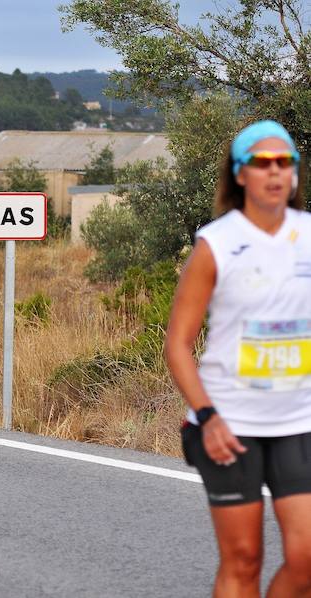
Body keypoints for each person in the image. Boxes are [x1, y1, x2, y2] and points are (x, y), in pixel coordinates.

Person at [165, 120, 311, 596]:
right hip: (229, 424)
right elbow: (178, 345)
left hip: (298, 422)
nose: (275, 172)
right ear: (240, 174)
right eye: (262, 163)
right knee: (244, 560)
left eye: (284, 162)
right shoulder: (217, 243)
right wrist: (207, 417)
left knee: (306, 561)